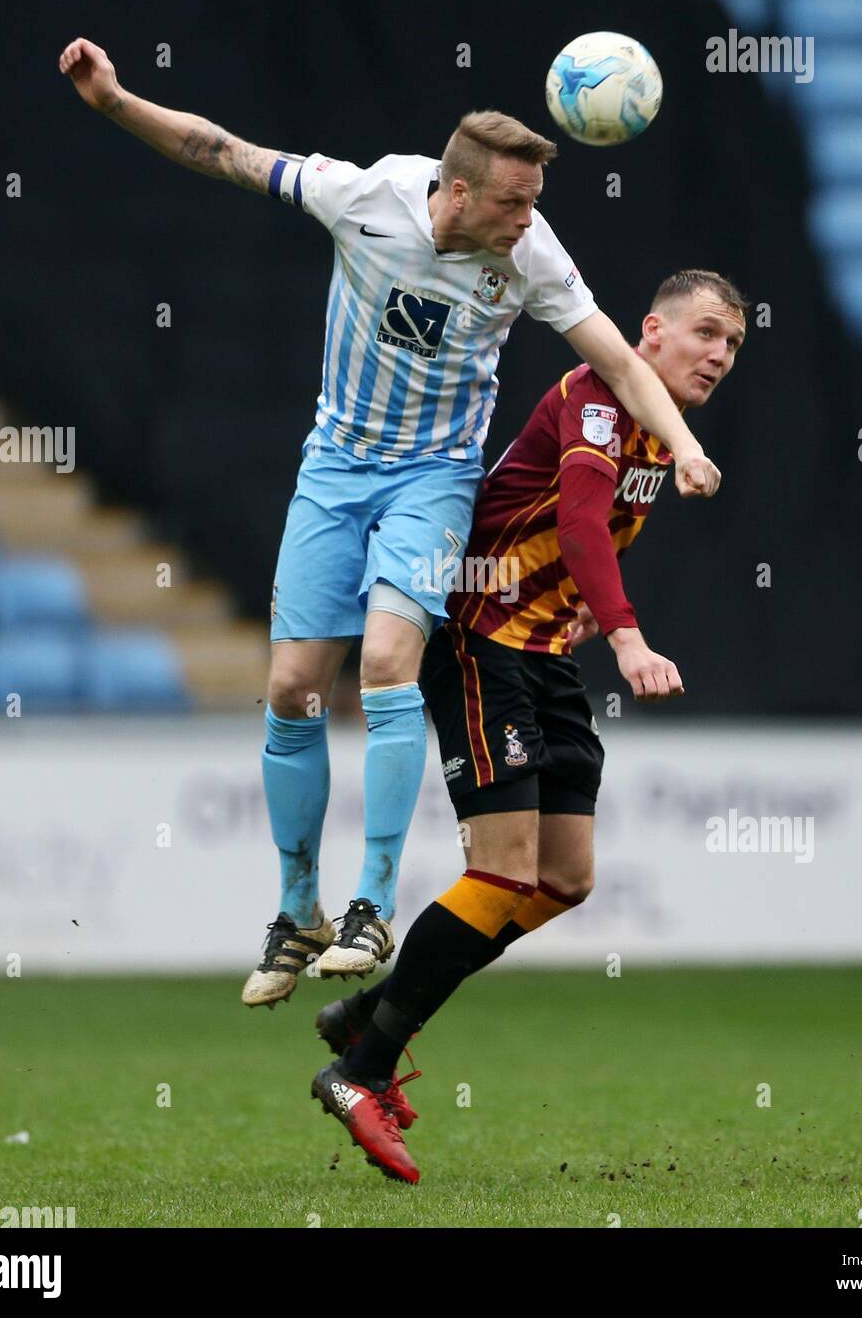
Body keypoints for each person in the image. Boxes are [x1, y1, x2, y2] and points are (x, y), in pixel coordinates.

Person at [58, 38, 722, 1006]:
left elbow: (622, 364)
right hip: (334, 466)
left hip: (434, 476)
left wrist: (685, 447)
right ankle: (298, 912)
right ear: (455, 193)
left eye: (534, 201)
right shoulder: (363, 195)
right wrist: (115, 101)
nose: (527, 219)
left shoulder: (531, 254)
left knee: (383, 665)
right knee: (290, 686)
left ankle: (371, 905)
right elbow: (223, 150)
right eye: (512, 201)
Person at [311, 271, 748, 1183]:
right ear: (649, 331)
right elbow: (585, 522)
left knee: (564, 878)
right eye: (705, 333)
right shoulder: (596, 393)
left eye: (733, 344)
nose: (718, 354)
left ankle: (373, 1012)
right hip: (478, 639)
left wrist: (585, 611)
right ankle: (360, 1070)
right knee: (501, 869)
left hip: (541, 650)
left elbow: (586, 534)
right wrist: (626, 636)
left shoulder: (658, 436)